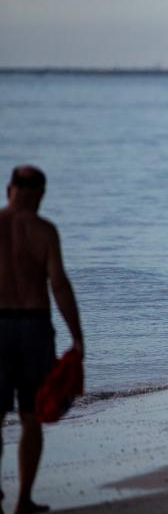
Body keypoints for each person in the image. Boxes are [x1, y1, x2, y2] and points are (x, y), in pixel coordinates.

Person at [0, 165, 84, 514]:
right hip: (34, 326)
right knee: (31, 415)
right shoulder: (44, 230)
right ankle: (23, 501)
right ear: (41, 193)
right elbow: (59, 285)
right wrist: (77, 337)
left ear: (9, 189)